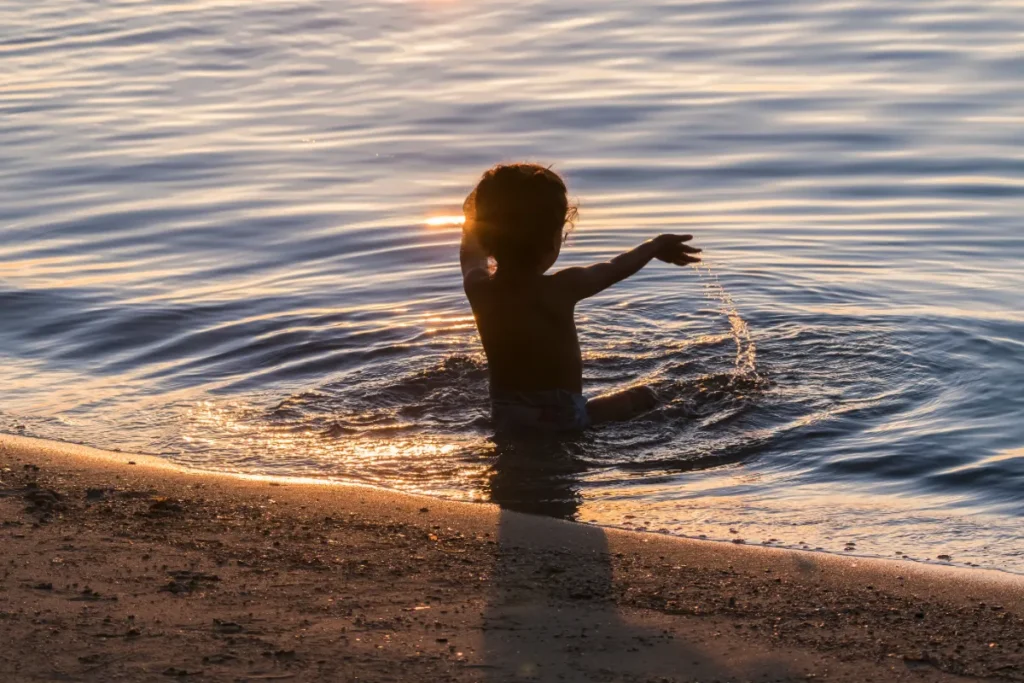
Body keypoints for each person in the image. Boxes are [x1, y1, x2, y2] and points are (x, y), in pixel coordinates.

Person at [460, 163, 702, 432]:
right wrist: (654, 246)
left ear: (485, 237)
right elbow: (615, 268)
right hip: (564, 420)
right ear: (553, 241)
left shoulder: (479, 288)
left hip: (506, 421)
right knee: (643, 396)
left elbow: (470, 256)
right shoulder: (563, 287)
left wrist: (471, 222)